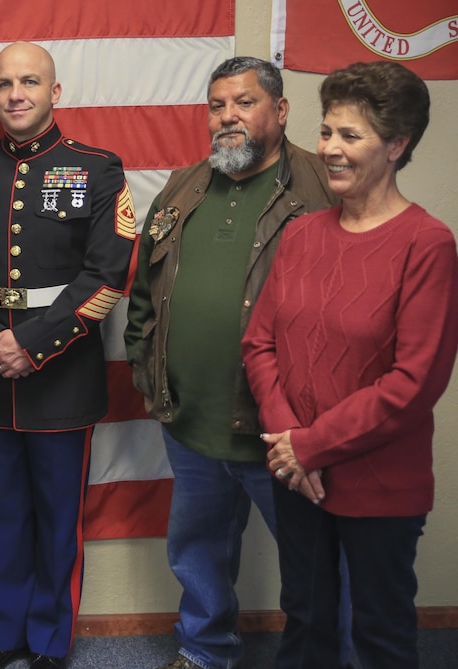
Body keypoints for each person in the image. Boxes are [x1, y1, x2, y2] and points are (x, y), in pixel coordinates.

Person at [123, 56, 345, 669]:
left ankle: (329, 658)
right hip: (190, 421)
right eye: (217, 105)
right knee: (198, 551)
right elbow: (145, 288)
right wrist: (147, 364)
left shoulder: (323, 187)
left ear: (280, 110)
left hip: (284, 429)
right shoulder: (184, 184)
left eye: (244, 103)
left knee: (316, 563)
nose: (228, 117)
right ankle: (203, 650)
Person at [243, 61, 458, 669]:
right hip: (298, 477)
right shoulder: (303, 234)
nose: (330, 150)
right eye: (328, 132)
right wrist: (289, 444)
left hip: (380, 483)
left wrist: (309, 447)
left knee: (380, 635)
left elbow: (414, 385)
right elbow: (260, 345)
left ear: (397, 145)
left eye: (350, 136)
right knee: (305, 623)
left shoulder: (428, 243)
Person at [0, 42, 136, 669]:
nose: (15, 93)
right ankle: (2, 637)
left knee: (56, 520)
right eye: (3, 83)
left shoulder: (99, 170)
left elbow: (108, 274)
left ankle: (50, 645)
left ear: (56, 91)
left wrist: (32, 343)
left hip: (62, 373)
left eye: (29, 81)